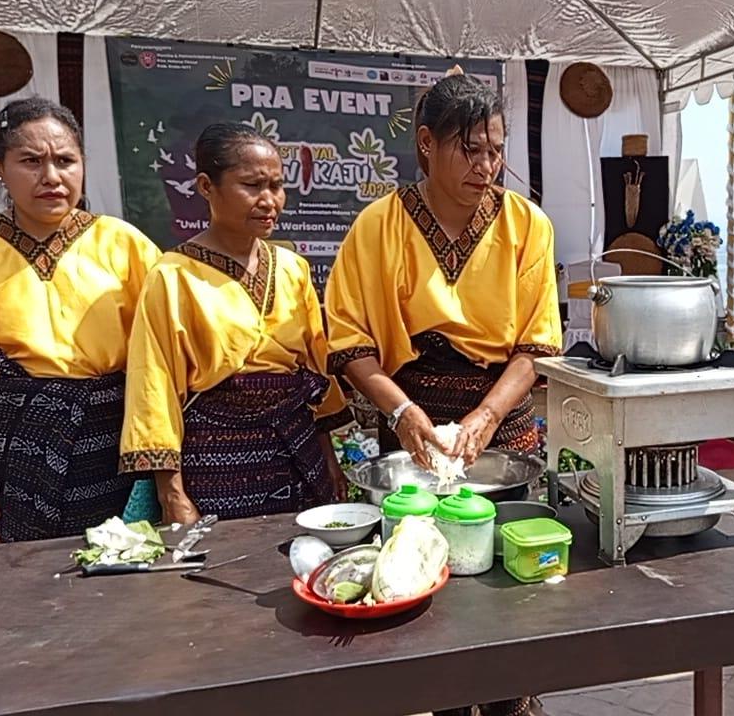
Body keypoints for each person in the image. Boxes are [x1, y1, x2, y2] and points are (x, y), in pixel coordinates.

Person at [325, 74, 560, 716]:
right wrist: (400, 412)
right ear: (426, 144)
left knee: (505, 574)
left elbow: (536, 348)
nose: (486, 167)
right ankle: (443, 699)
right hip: (412, 413)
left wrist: (488, 413)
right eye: (469, 151)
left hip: (502, 414)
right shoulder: (381, 225)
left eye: (495, 150)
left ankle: (513, 695)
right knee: (419, 568)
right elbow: (349, 344)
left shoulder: (525, 226)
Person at [0, 97, 162, 543]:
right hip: (11, 454)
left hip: (112, 449)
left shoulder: (124, 244)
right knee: (22, 587)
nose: (52, 178)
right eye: (30, 161)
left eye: (65, 160)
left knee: (121, 578)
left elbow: (163, 360)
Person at [118, 123, 349, 525]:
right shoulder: (173, 277)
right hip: (218, 460)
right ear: (207, 187)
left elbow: (316, 370)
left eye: (276, 186)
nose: (269, 200)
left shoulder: (292, 269)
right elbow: (153, 387)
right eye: (252, 185)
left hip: (298, 451)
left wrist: (329, 458)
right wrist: (171, 492)